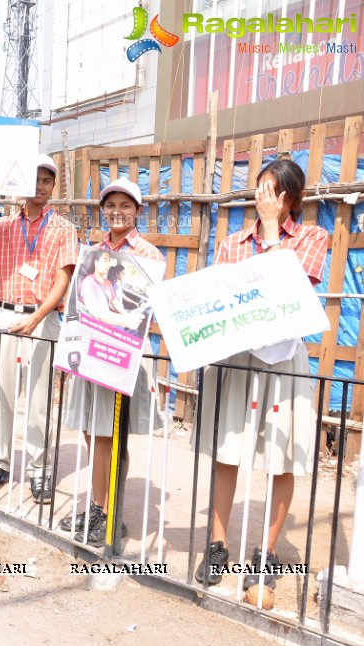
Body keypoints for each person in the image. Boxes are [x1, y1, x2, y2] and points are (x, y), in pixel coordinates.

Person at [194, 158, 329, 588]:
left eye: (274, 192)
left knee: (281, 458)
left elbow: (287, 293)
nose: (264, 199)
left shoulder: (312, 237)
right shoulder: (232, 243)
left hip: (284, 358)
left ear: (292, 199)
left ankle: (266, 553)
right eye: (260, 189)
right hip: (237, 356)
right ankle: (217, 546)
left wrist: (272, 232)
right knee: (226, 450)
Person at [0, 154, 78, 499]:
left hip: (42, 317)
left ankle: (39, 469)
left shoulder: (64, 228)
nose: (40, 186)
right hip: (7, 314)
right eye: (35, 179)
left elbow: (64, 278)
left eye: (46, 181)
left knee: (40, 397)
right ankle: (0, 462)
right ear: (23, 183)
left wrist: (38, 317)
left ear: (53, 186)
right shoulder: (6, 224)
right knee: (3, 392)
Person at [59, 178, 164, 547]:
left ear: (138, 211)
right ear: (103, 209)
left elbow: (142, 308)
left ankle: (107, 511)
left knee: (110, 435)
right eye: (111, 205)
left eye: (126, 205)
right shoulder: (94, 253)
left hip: (120, 353)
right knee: (92, 432)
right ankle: (99, 506)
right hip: (89, 351)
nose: (117, 211)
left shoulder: (148, 255)